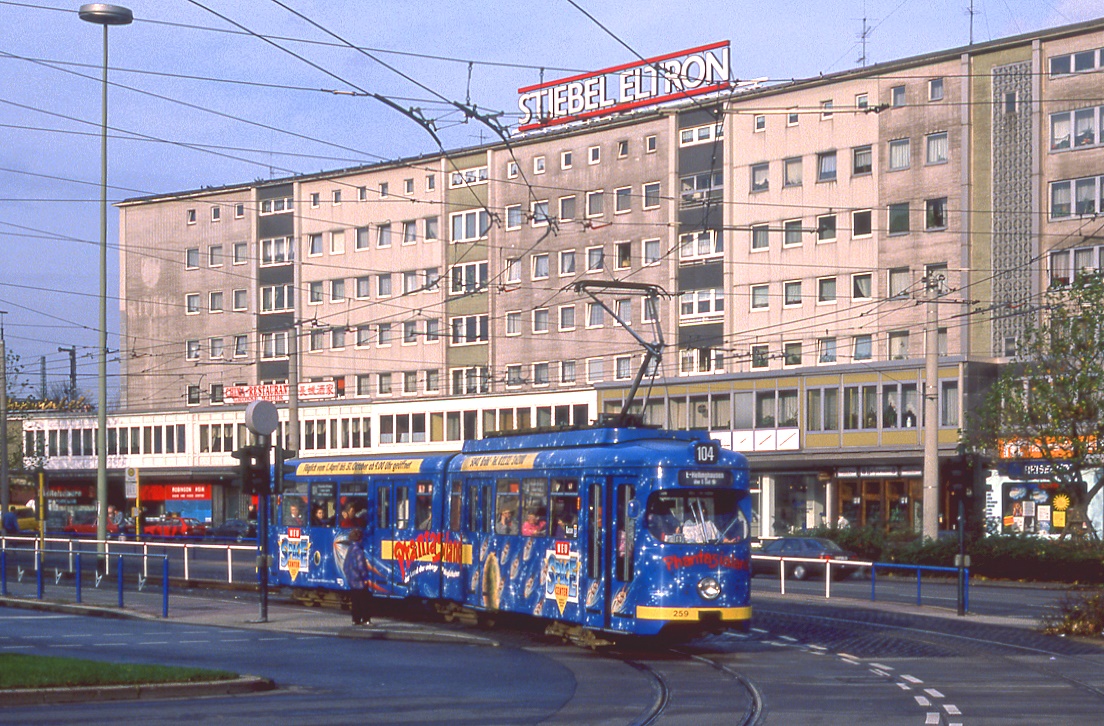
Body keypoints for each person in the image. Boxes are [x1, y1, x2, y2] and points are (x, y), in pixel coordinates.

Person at [343, 528, 376, 625]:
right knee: (365, 600)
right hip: (359, 579)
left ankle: (355, 619)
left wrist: (349, 576)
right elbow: (361, 565)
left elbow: (345, 565)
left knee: (355, 601)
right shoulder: (359, 551)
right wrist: (365, 577)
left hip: (352, 579)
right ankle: (366, 619)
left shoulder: (350, 549)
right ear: (360, 539)